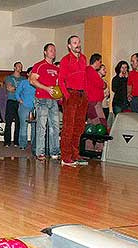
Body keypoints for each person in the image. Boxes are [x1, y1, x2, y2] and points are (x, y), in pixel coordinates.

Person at [58, 35, 87, 167]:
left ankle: (75, 154)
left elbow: (85, 78)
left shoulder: (83, 59)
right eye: (74, 43)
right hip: (71, 94)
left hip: (82, 95)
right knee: (68, 127)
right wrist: (67, 96)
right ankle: (66, 156)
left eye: (79, 42)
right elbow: (61, 80)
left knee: (79, 127)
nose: (78, 44)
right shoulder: (65, 60)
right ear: (69, 46)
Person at [30, 43, 60, 160]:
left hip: (53, 101)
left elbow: (58, 84)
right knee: (42, 127)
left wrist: (59, 94)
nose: (53, 52)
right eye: (51, 50)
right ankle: (40, 152)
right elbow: (32, 81)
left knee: (55, 127)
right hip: (41, 99)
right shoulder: (39, 65)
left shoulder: (57, 68)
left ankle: (54, 152)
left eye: (54, 50)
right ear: (45, 52)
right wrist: (46, 88)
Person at [4, 62, 25, 147]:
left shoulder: (24, 79)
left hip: (20, 102)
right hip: (11, 101)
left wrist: (16, 89)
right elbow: (9, 88)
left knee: (18, 122)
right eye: (18, 66)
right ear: (14, 67)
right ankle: (7, 142)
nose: (20, 68)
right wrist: (19, 89)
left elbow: (25, 90)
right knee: (8, 122)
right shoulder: (9, 78)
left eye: (21, 66)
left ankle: (16, 142)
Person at [16, 67, 36, 153]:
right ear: (28, 74)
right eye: (31, 72)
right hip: (24, 106)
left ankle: (34, 145)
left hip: (35, 107)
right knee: (23, 126)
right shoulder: (23, 82)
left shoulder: (36, 83)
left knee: (34, 127)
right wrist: (20, 100)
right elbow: (17, 93)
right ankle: (23, 145)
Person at [86, 53, 107, 127]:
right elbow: (101, 84)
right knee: (101, 123)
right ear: (96, 61)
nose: (100, 64)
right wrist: (104, 84)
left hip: (93, 101)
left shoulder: (90, 71)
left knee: (91, 124)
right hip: (94, 102)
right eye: (100, 62)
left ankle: (89, 139)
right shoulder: (91, 71)